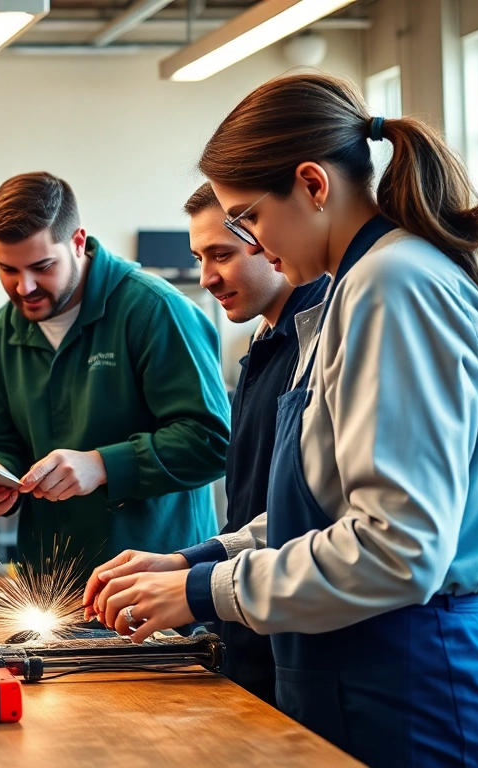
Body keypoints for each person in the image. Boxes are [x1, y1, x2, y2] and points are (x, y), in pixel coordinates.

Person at [87, 73, 478, 766]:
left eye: (248, 218)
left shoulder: (395, 286)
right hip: (358, 682)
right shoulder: (349, 295)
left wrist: (205, 591)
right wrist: (196, 560)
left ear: (313, 184)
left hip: (419, 695)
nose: (252, 243)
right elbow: (323, 509)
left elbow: (397, 548)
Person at [0, 172, 229, 576]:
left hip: (157, 577)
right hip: (49, 584)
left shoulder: (155, 310)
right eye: (7, 270)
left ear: (78, 242)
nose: (24, 287)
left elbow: (211, 442)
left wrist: (102, 465)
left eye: (41, 266)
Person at [184, 182, 328, 704]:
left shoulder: (324, 342)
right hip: (253, 631)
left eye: (222, 254)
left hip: (301, 637)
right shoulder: (264, 344)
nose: (207, 278)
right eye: (200, 257)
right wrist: (192, 564)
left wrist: (197, 584)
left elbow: (318, 523)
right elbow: (260, 514)